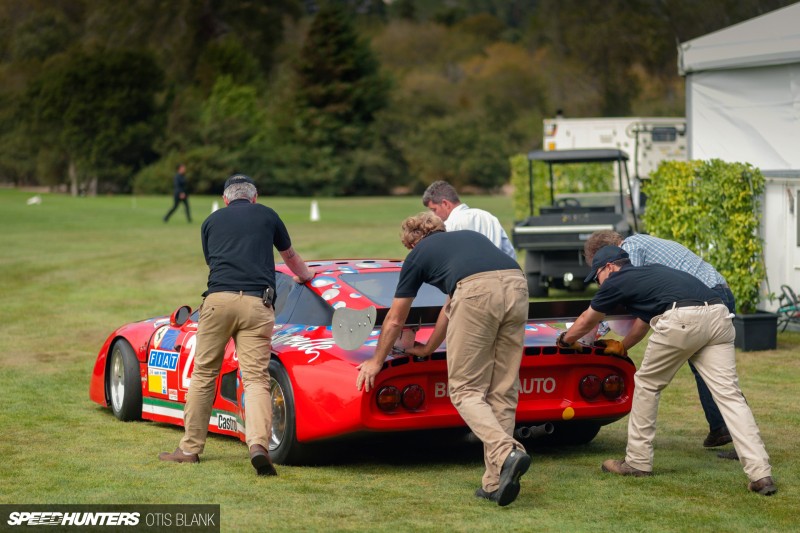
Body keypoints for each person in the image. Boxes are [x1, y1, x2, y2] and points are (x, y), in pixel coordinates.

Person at [558, 245, 776, 496]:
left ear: (609, 267)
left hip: (684, 318)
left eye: (597, 277)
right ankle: (761, 474)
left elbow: (588, 319)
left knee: (647, 384)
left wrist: (565, 340)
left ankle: (637, 462)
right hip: (719, 315)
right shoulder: (653, 273)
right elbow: (642, 323)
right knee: (730, 397)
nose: (599, 284)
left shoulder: (616, 280)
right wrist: (623, 345)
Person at [355, 212, 531, 506]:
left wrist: (375, 361)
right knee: (502, 389)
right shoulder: (471, 240)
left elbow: (396, 320)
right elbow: (451, 307)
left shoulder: (417, 256)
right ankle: (495, 480)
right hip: (517, 284)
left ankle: (507, 451)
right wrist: (428, 348)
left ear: (412, 243)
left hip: (476, 292)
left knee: (465, 390)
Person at [158, 174, 314, 476]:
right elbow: (289, 256)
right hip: (258, 303)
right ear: (254, 198)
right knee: (255, 378)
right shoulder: (268, 215)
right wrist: (306, 277)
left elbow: (213, 261)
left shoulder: (211, 221)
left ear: (226, 199)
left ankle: (190, 449)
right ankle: (258, 445)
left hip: (217, 302)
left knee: (204, 373)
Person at [584, 230, 734, 449]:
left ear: (606, 257)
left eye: (597, 272)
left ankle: (723, 429)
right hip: (713, 294)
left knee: (709, 374)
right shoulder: (640, 245)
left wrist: (595, 332)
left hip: (706, 297)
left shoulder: (629, 249)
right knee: (710, 371)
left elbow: (619, 290)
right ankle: (722, 428)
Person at [422, 180, 516, 259]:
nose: (434, 215)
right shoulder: (488, 216)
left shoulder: (449, 225)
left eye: (434, 210)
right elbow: (509, 252)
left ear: (445, 204)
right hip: (502, 277)